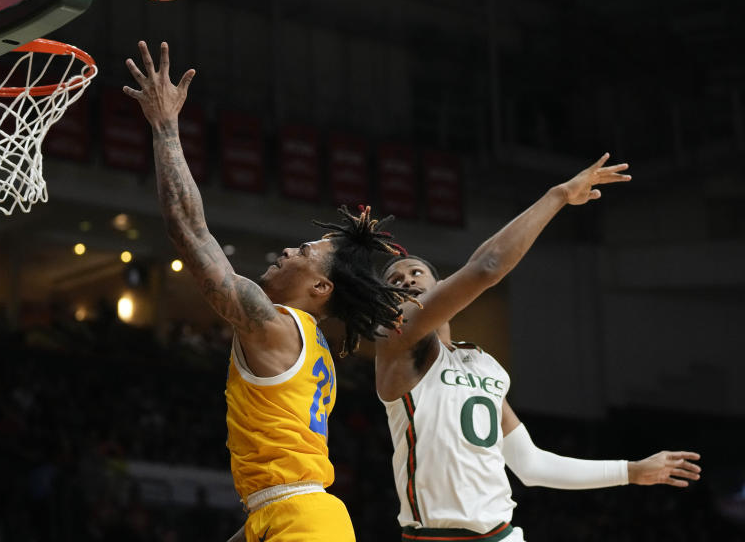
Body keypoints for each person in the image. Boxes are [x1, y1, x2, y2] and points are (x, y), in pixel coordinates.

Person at [123, 41, 414, 542]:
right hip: (291, 517)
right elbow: (280, 493)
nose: (288, 251)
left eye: (304, 251)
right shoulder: (311, 345)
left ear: (322, 286)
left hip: (304, 523)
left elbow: (190, 233)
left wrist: (165, 125)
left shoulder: (272, 325)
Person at [376, 157, 701, 541]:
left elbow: (530, 464)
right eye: (395, 281)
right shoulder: (395, 340)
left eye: (416, 273)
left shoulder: (483, 365)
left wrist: (630, 471)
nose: (407, 280)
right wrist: (559, 194)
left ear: (442, 285)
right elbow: (487, 266)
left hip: (503, 534)